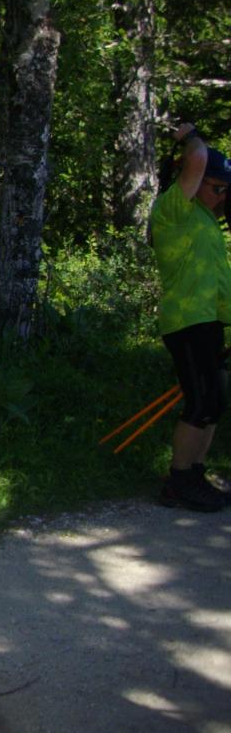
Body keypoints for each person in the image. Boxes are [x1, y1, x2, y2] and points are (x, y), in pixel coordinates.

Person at [149, 122, 231, 512]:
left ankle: (195, 473)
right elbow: (197, 158)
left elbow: (217, 282)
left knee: (215, 402)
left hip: (209, 321)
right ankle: (178, 481)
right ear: (193, 181)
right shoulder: (174, 209)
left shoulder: (207, 220)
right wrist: (191, 135)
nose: (222, 196)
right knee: (200, 403)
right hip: (186, 322)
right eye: (217, 187)